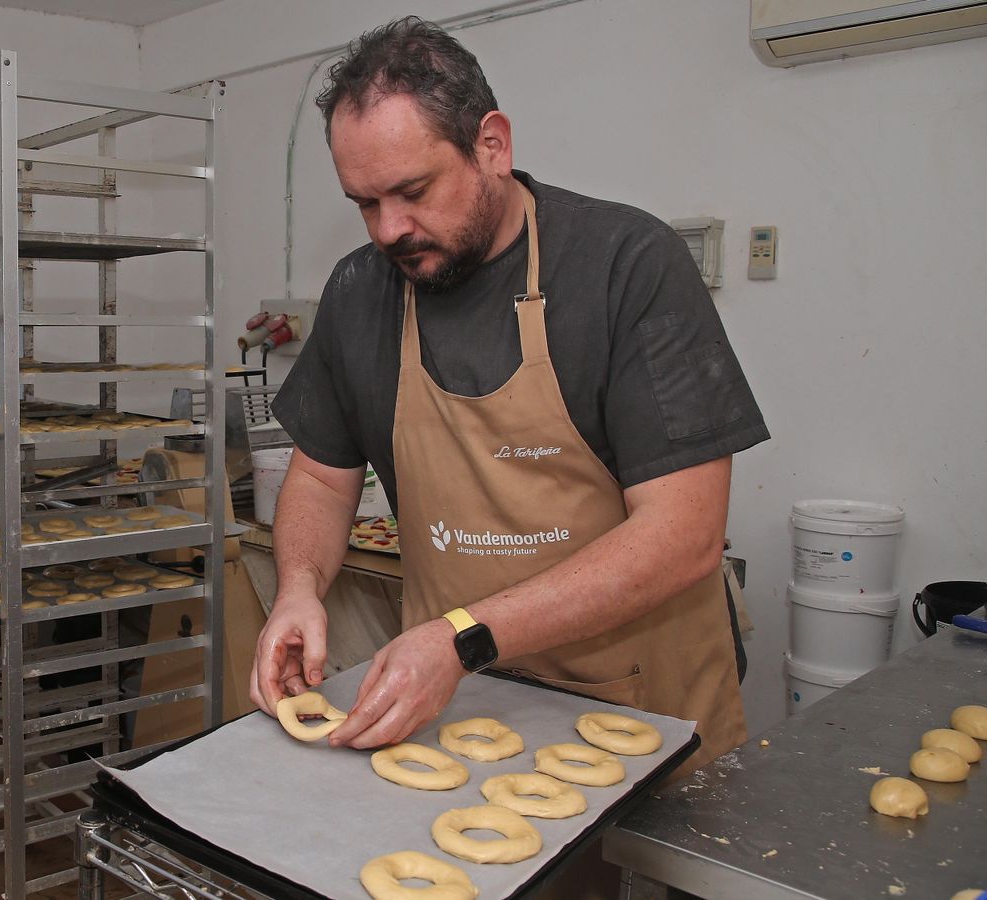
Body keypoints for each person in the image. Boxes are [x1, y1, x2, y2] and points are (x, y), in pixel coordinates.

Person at [252, 16, 768, 781]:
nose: (390, 229)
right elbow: (325, 477)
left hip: (637, 707)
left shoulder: (626, 266)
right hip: (460, 702)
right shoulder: (362, 292)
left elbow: (683, 534)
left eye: (413, 191)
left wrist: (462, 636)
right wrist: (298, 589)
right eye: (365, 203)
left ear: (491, 144)